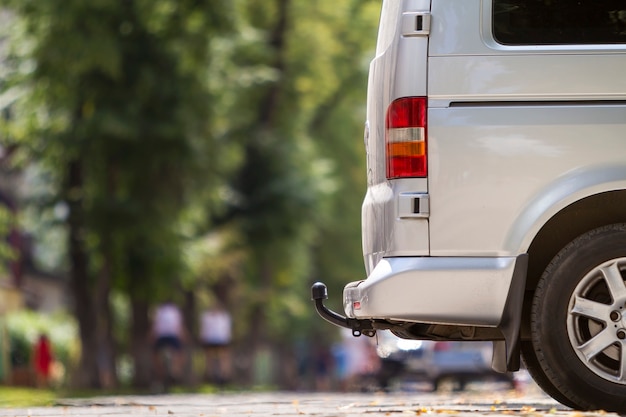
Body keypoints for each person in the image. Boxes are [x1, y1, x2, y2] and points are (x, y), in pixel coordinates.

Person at [151, 300, 186, 383]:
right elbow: (179, 326)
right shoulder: (175, 310)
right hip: (171, 336)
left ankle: (160, 373)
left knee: (155, 355)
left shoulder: (158, 310)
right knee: (180, 354)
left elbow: (155, 325)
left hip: (161, 336)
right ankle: (175, 371)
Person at [199, 302, 232, 386]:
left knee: (223, 357)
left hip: (221, 340)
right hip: (210, 340)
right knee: (209, 357)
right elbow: (204, 329)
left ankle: (224, 375)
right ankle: (209, 375)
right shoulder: (206, 316)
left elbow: (227, 330)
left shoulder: (224, 316)